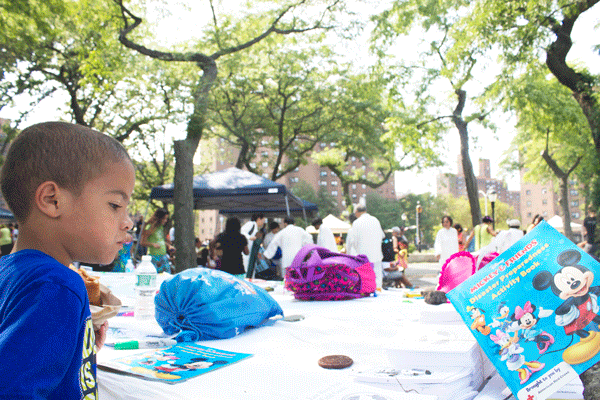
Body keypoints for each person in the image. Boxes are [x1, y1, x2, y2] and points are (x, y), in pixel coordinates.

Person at [0, 121, 135, 398]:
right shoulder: (58, 285)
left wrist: (74, 347)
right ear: (52, 200)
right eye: (115, 206)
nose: (128, 222)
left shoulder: (11, 272)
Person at [346, 205, 385, 289]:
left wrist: (357, 251)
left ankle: (368, 291)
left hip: (363, 254)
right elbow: (382, 235)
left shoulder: (357, 223)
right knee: (377, 275)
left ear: (357, 212)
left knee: (365, 277)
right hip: (376, 253)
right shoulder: (375, 220)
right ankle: (378, 290)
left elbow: (354, 241)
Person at [139, 208, 174, 273]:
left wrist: (169, 245)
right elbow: (142, 242)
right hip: (154, 257)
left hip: (163, 256)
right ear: (159, 218)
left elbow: (160, 240)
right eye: (164, 218)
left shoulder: (160, 226)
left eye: (166, 219)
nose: (165, 221)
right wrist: (153, 244)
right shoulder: (150, 227)